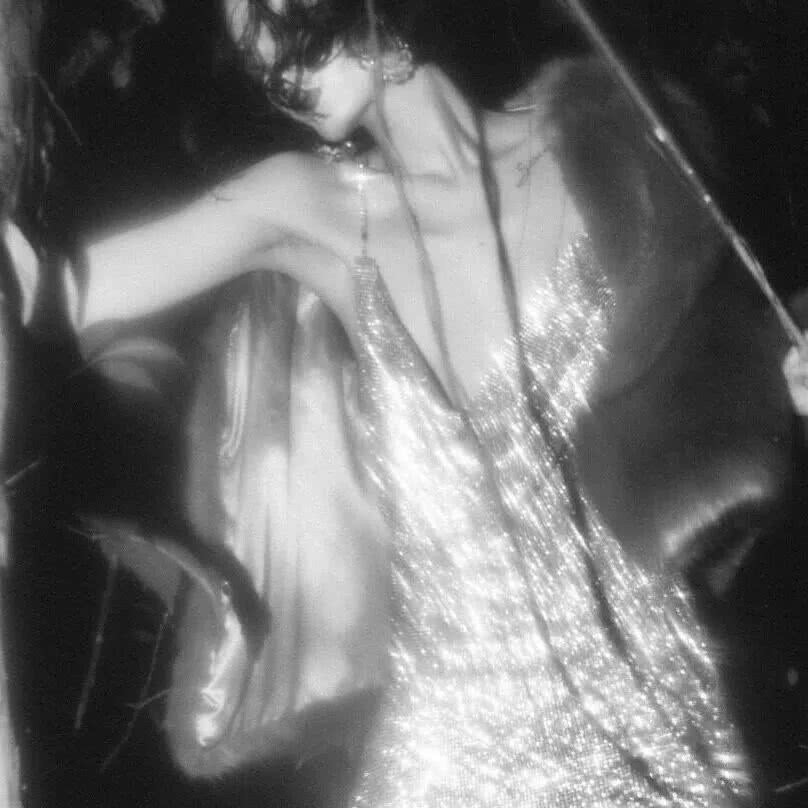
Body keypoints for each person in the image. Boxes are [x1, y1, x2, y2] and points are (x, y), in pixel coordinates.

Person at [33, 0, 806, 804]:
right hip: (453, 749)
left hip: (657, 717)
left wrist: (786, 377)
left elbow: (732, 371)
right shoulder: (307, 208)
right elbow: (59, 290)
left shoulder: (606, 140)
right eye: (246, 43)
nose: (263, 58)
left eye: (269, 12)